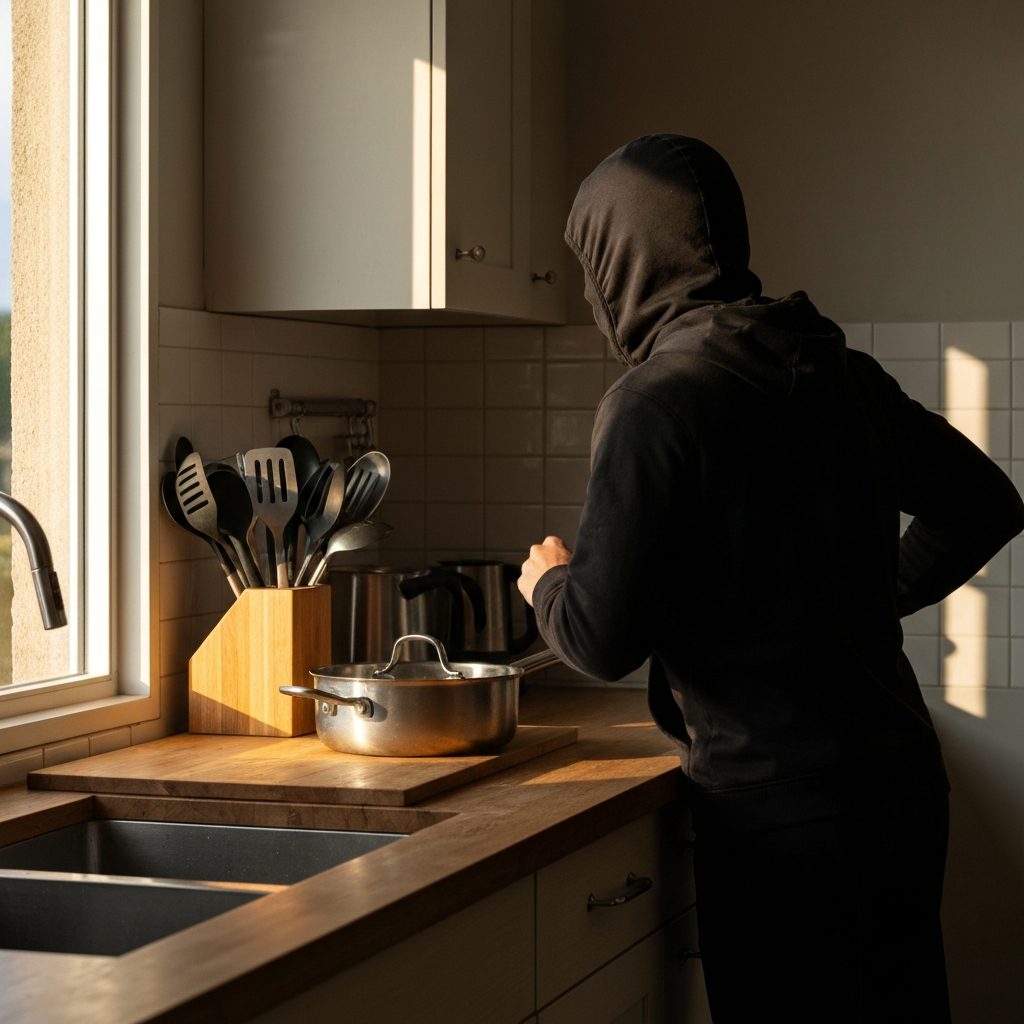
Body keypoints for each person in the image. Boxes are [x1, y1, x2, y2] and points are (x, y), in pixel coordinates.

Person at [517, 134, 1024, 1024]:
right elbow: (985, 502)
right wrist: (863, 591)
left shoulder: (655, 400)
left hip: (775, 816)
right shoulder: (836, 371)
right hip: (900, 789)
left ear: (620, 260)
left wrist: (546, 584)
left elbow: (599, 638)